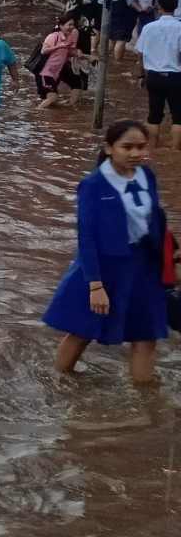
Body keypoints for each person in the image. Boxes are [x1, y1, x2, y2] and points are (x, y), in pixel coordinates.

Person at [42, 120, 174, 384]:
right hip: (104, 267)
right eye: (127, 147)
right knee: (82, 330)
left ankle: (146, 399)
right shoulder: (93, 185)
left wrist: (172, 260)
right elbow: (87, 238)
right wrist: (95, 286)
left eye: (141, 146)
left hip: (144, 265)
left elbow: (156, 220)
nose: (136, 153)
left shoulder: (147, 176)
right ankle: (57, 383)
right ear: (110, 148)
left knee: (146, 333)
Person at [132, 0, 181, 150]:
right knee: (178, 117)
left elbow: (140, 53)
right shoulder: (179, 28)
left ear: (159, 7)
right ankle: (174, 152)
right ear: (176, 6)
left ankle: (152, 149)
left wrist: (140, 76)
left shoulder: (148, 28)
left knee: (154, 116)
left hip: (153, 77)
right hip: (176, 77)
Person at [36, 13, 86, 109]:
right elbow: (43, 51)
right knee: (53, 97)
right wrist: (58, 46)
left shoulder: (69, 37)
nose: (72, 27)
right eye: (69, 25)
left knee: (77, 83)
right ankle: (37, 112)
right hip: (47, 72)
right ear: (61, 26)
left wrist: (80, 54)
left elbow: (69, 52)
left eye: (73, 25)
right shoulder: (53, 36)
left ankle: (70, 106)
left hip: (57, 71)